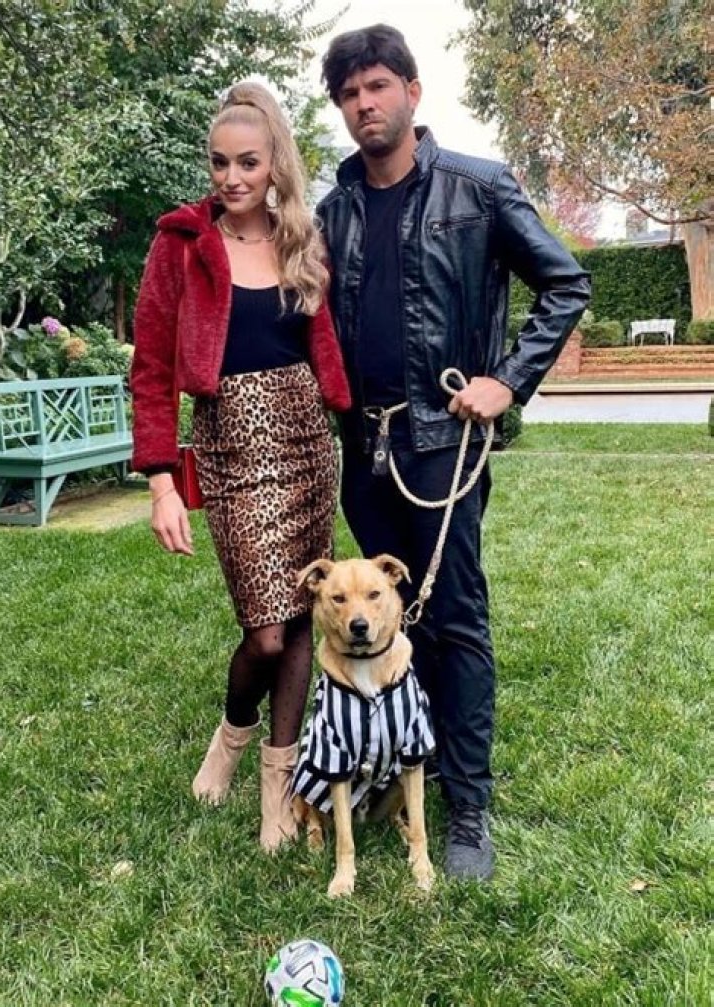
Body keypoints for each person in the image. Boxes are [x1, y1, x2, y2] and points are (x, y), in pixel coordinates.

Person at [317, 25, 591, 880]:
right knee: (394, 615)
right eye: (350, 93)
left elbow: (567, 283)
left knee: (457, 616)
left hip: (443, 442)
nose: (365, 104)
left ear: (412, 91)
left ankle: (467, 805)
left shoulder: (479, 187)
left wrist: (507, 380)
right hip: (366, 447)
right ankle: (416, 762)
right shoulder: (334, 210)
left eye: (378, 86)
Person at [130, 82, 351, 853]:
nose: (231, 177)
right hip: (230, 447)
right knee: (264, 633)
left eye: (248, 162)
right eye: (219, 162)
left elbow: (329, 345)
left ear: (274, 163)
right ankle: (232, 733)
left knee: (301, 618)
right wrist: (161, 481)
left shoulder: (303, 241)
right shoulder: (181, 243)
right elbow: (151, 367)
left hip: (306, 444)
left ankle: (278, 785)